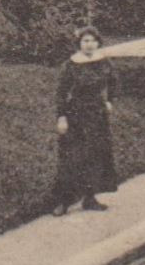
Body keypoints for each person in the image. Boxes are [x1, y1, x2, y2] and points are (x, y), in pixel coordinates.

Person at [50, 25, 119, 215]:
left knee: (95, 156)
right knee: (73, 157)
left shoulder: (104, 62)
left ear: (98, 43)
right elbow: (61, 93)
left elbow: (113, 81)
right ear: (79, 43)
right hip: (76, 115)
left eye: (92, 41)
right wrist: (62, 117)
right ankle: (63, 201)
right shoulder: (71, 65)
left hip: (97, 115)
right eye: (85, 41)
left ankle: (90, 198)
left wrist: (109, 101)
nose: (89, 45)